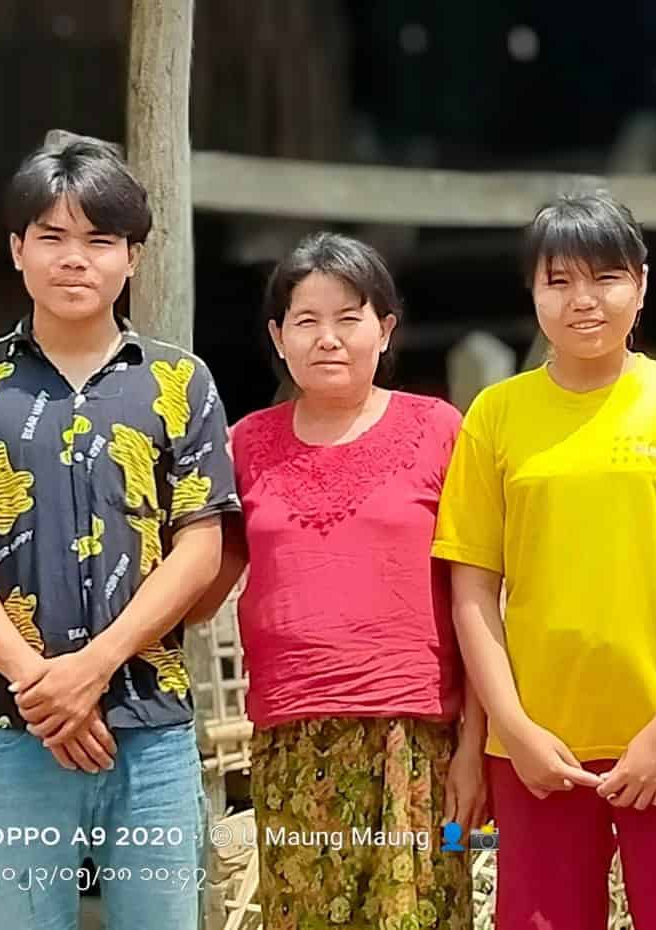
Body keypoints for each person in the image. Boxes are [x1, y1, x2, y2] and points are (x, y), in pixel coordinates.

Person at [433, 192, 656, 930]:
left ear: (643, 284)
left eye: (606, 278)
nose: (582, 301)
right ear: (532, 292)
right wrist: (513, 729)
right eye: (558, 281)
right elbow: (472, 591)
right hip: (538, 754)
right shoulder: (496, 416)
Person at [0, 134, 239, 930]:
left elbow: (201, 547)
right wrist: (43, 689)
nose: (76, 259)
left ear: (133, 256)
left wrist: (94, 669)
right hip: (17, 733)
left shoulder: (179, 382)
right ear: (16, 250)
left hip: (152, 735)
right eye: (52, 236)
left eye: (100, 240)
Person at [189, 232, 483, 930]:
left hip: (417, 741)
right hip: (292, 744)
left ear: (384, 329)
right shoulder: (245, 445)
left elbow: (480, 594)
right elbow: (201, 582)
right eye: (306, 321)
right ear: (277, 335)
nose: (328, 339)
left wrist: (475, 750)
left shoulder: (439, 428)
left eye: (348, 318)